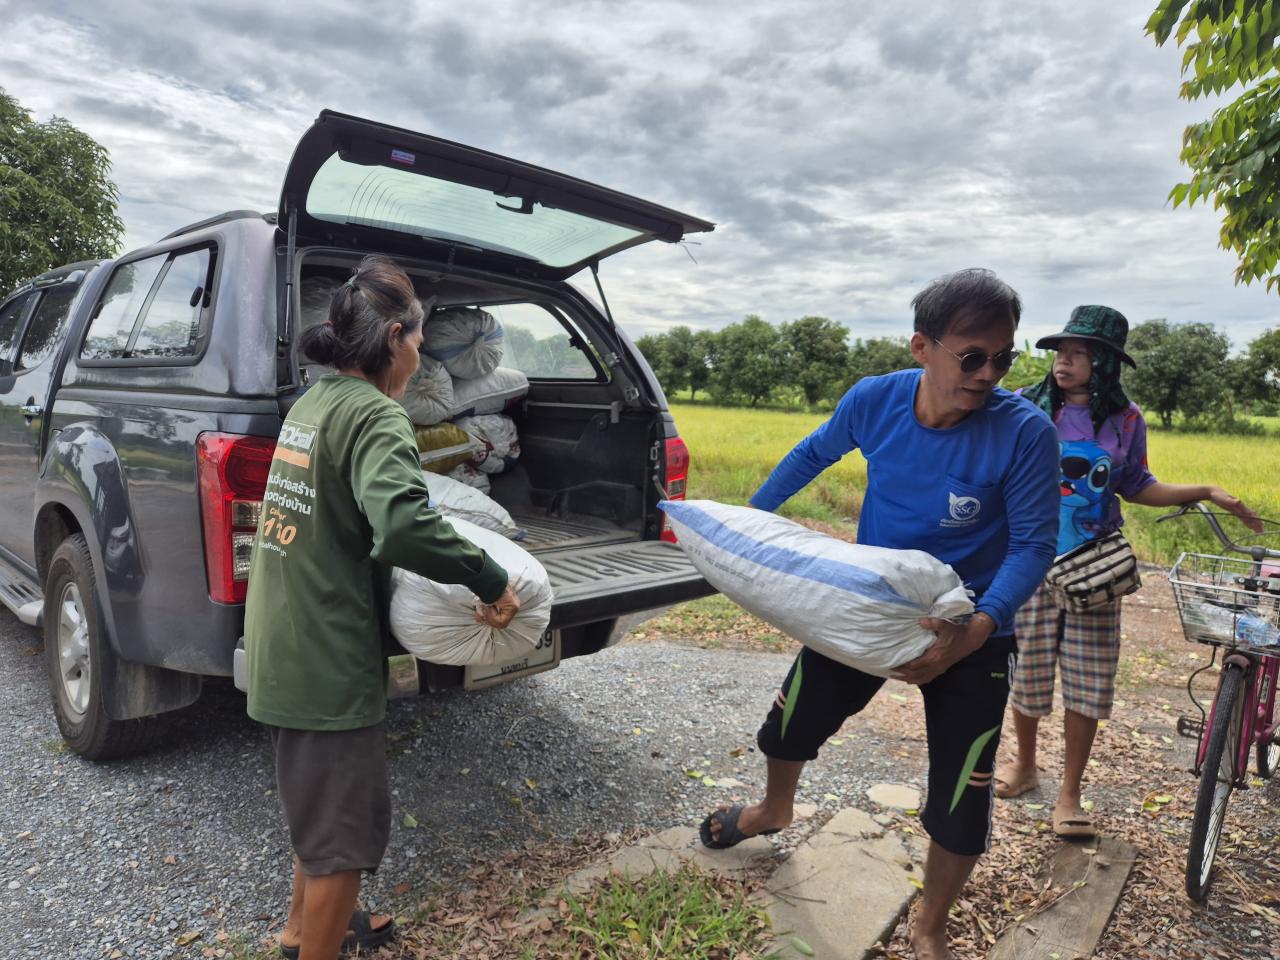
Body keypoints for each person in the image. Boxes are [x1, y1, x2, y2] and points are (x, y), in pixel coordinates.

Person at [700, 268, 1060, 960]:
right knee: (790, 723)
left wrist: (977, 629)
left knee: (962, 794)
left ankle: (930, 926)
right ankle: (773, 811)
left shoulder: (1024, 433)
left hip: (975, 625)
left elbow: (1035, 542)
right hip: (866, 611)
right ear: (922, 346)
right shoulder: (875, 401)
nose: (990, 374)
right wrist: (744, 528)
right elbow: (814, 452)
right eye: (973, 356)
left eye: (1004, 358)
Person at [243, 255, 521, 960]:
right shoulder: (375, 414)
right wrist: (489, 579)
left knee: (320, 812)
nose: (420, 354)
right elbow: (402, 524)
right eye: (420, 342)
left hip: (284, 637)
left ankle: (304, 930)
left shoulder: (314, 403)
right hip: (327, 657)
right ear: (396, 336)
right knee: (345, 834)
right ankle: (315, 942)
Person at [995, 305, 1261, 838]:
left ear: (1105, 363)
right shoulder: (1024, 406)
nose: (1064, 362)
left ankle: (1069, 795)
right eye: (1061, 352)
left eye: (1078, 354)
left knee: (1089, 682)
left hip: (1095, 569)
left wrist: (1206, 489)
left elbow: (1136, 483)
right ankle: (1024, 765)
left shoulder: (1127, 419)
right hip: (1028, 561)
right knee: (1027, 673)